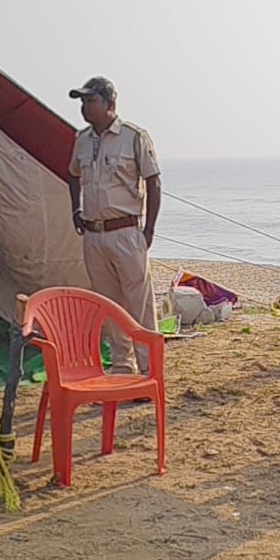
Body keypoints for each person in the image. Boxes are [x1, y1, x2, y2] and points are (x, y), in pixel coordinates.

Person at [67, 77, 162, 376]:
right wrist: (76, 209)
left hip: (126, 231)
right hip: (94, 234)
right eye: (82, 102)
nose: (85, 108)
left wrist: (148, 231)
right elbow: (72, 174)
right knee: (109, 304)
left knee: (139, 304)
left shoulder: (134, 136)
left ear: (110, 104)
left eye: (91, 101)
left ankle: (150, 371)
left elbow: (153, 181)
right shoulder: (81, 139)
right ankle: (123, 367)